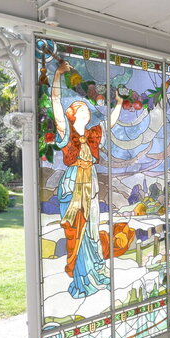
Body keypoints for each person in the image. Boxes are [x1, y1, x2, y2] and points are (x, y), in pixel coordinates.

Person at [51, 60, 124, 298]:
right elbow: (55, 102)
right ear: (72, 116)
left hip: (90, 183)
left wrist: (119, 103)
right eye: (80, 109)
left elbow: (110, 122)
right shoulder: (66, 133)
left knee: (92, 230)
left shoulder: (93, 134)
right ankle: (82, 280)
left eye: (86, 109)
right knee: (78, 229)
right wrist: (58, 75)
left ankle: (95, 273)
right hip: (73, 185)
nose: (85, 111)